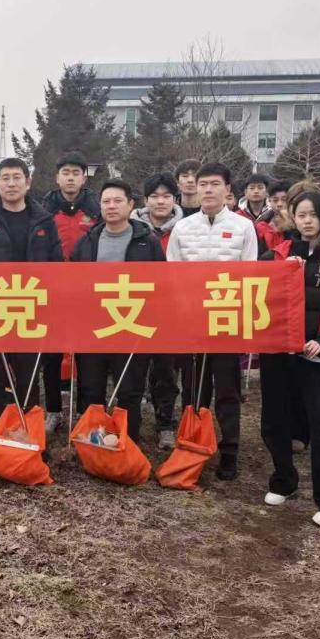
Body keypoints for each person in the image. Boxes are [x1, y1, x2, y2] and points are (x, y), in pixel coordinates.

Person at [259, 190, 320, 528]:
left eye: (313, 215)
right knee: (274, 420)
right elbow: (256, 296)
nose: (307, 221)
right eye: (301, 214)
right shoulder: (275, 256)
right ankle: (283, 480)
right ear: (292, 217)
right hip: (277, 354)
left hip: (313, 355)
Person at [166, 162, 258, 480]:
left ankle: (229, 450)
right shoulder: (182, 228)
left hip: (225, 319)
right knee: (194, 388)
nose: (207, 189)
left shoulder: (244, 227)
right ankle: (193, 445)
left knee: (228, 389)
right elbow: (172, 273)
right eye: (202, 183)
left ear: (227, 189)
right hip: (192, 320)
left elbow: (250, 272)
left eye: (214, 184)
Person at [0, 157, 63, 433]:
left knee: (29, 377)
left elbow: (57, 266)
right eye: (5, 178)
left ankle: (29, 436)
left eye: (17, 178)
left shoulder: (44, 220)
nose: (11, 184)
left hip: (31, 311)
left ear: (27, 183)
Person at [70, 179, 164, 441]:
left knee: (129, 391)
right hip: (94, 329)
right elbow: (72, 282)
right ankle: (93, 444)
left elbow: (161, 285)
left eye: (117, 201)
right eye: (106, 202)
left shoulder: (147, 241)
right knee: (91, 390)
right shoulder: (87, 241)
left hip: (131, 325)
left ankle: (127, 442)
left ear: (130, 204)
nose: (111, 206)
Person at [41, 151, 100, 433]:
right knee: (51, 355)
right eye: (66, 173)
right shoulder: (44, 210)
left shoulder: (96, 209)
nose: (70, 178)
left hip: (87, 292)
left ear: (84, 177)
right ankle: (53, 410)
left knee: (87, 356)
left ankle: (83, 412)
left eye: (76, 173)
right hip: (52, 292)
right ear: (57, 177)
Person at [132, 172, 184, 448]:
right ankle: (132, 423)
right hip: (136, 307)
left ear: (175, 199)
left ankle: (165, 423)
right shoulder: (131, 228)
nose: (160, 201)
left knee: (166, 370)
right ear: (145, 200)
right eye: (154, 196)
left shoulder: (185, 229)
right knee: (135, 368)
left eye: (166, 196)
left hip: (171, 309)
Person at [255, 181, 293, 255]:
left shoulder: (298, 223)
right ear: (269, 200)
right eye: (275, 200)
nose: (279, 204)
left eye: (284, 200)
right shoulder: (261, 224)